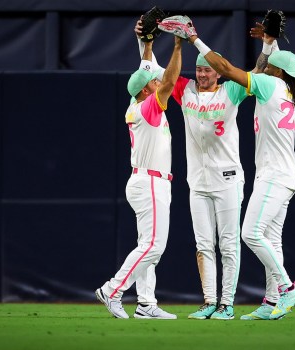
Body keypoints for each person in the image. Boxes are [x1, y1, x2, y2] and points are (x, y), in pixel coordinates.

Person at [134, 19, 280, 320]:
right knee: (203, 245)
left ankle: (227, 303)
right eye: (199, 70)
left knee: (228, 244)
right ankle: (209, 301)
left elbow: (259, 71)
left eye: (207, 70)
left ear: (216, 72)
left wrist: (267, 44)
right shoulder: (184, 89)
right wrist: (145, 41)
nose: (202, 74)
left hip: (227, 178)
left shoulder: (231, 91)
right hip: (197, 181)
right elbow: (151, 72)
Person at [166, 20, 295, 321]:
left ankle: (286, 287)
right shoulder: (287, 90)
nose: (266, 68)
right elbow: (268, 64)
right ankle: (271, 304)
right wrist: (269, 41)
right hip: (279, 175)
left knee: (249, 234)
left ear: (277, 72)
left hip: (271, 175)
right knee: (272, 238)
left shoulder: (269, 84)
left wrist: (194, 39)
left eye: (271, 66)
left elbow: (235, 71)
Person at [95, 34, 182, 320]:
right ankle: (112, 290)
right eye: (153, 83)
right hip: (151, 183)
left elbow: (150, 71)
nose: (159, 83)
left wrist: (146, 45)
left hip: (146, 181)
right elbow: (168, 81)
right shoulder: (148, 107)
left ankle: (145, 304)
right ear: (146, 90)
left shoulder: (138, 102)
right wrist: (179, 45)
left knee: (147, 245)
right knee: (154, 246)